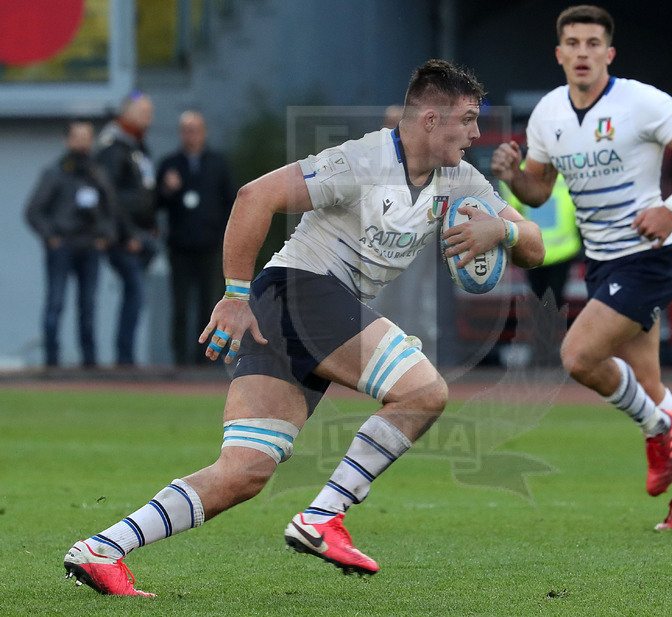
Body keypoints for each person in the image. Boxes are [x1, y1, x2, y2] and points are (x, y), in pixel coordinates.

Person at [63, 59, 545, 596]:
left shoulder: (460, 179)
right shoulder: (361, 160)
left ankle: (102, 549)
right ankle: (323, 518)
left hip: (293, 311)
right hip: (301, 291)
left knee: (243, 472)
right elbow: (255, 196)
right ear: (430, 119)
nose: (478, 132)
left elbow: (535, 244)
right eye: (469, 119)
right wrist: (234, 294)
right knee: (424, 392)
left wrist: (501, 229)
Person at [492, 5, 672, 530]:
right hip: (600, 261)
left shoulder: (640, 102)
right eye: (572, 43)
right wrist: (513, 176)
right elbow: (538, 190)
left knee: (577, 356)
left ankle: (658, 431)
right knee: (648, 382)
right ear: (559, 54)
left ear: (609, 53)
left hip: (648, 258)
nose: (582, 52)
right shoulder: (549, 113)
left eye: (592, 43)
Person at [25, 120, 117, 368]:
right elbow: (33, 211)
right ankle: (51, 362)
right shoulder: (55, 172)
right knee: (56, 302)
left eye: (86, 136)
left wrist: (103, 237)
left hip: (89, 246)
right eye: (77, 136)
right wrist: (51, 237)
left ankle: (89, 362)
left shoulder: (97, 172)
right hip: (63, 245)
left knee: (88, 305)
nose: (82, 141)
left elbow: (111, 209)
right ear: (67, 140)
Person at [156, 111, 236, 366]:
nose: (191, 135)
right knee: (180, 304)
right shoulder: (169, 163)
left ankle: (206, 359)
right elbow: (155, 204)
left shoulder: (218, 163)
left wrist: (225, 236)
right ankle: (180, 359)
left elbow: (232, 202)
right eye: (186, 130)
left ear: (205, 132)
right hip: (180, 246)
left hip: (210, 245)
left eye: (196, 130)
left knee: (210, 303)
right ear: (181, 133)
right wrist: (167, 190)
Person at [95, 91, 158, 366]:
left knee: (136, 295)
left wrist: (152, 225)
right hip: (125, 239)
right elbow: (111, 197)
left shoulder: (139, 148)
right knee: (135, 293)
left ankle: (126, 356)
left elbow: (144, 192)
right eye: (144, 112)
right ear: (127, 113)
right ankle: (124, 359)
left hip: (143, 236)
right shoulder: (113, 149)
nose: (150, 118)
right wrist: (127, 234)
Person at [499, 167, 581, 310]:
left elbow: (509, 208)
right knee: (550, 304)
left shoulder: (519, 171)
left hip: (540, 250)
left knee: (543, 303)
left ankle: (546, 328)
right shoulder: (568, 170)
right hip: (552, 249)